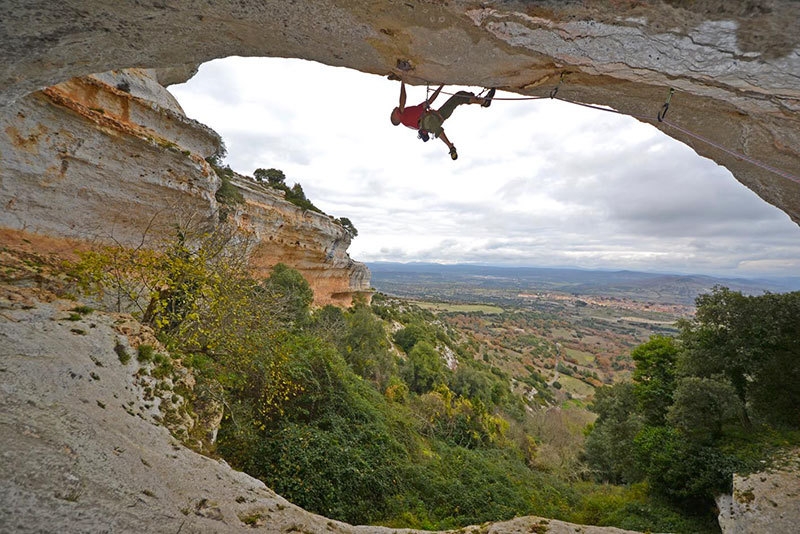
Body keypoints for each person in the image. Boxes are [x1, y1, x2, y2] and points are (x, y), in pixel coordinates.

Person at [390, 79, 495, 160]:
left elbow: (429, 101)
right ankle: (450, 147)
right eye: (393, 113)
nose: (394, 110)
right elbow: (402, 99)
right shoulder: (402, 117)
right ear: (396, 118)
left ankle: (483, 102)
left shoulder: (409, 113)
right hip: (430, 122)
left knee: (458, 97)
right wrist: (403, 80)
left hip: (437, 116)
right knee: (433, 125)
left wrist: (441, 86)